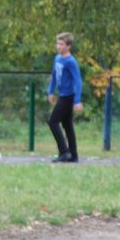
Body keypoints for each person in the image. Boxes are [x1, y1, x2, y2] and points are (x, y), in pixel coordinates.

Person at [46, 31, 83, 162]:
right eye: (57, 43)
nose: (58, 46)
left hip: (68, 97)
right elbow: (54, 75)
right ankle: (73, 155)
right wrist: (50, 91)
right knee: (67, 125)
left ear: (68, 46)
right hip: (62, 94)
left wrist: (77, 100)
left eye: (61, 44)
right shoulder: (57, 58)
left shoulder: (71, 62)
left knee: (53, 122)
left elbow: (78, 80)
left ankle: (64, 152)